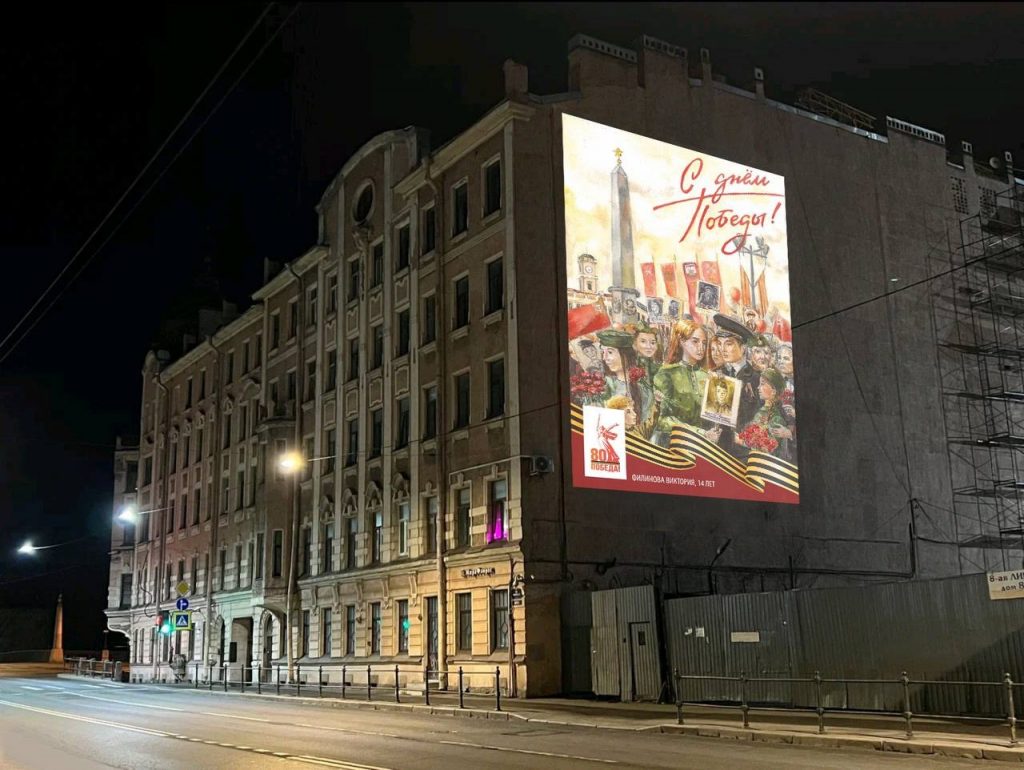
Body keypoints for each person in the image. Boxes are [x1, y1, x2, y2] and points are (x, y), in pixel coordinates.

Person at [652, 320, 719, 443]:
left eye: (704, 343)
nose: (701, 348)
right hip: (672, 443)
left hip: (702, 445)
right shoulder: (667, 374)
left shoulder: (708, 377)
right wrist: (700, 433)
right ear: (682, 342)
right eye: (695, 341)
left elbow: (714, 417)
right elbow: (662, 420)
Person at [711, 314, 760, 456]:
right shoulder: (716, 374)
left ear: (743, 348)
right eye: (720, 343)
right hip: (718, 450)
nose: (722, 349)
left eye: (728, 344)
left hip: (744, 452)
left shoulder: (756, 378)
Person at [597, 329, 654, 424]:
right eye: (603, 352)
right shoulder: (603, 386)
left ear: (626, 355)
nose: (605, 358)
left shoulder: (643, 389)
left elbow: (647, 423)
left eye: (610, 352)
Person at [741, 368, 793, 460]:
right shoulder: (762, 410)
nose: (758, 388)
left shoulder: (776, 418)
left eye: (762, 384)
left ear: (773, 391)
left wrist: (739, 440)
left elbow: (767, 450)